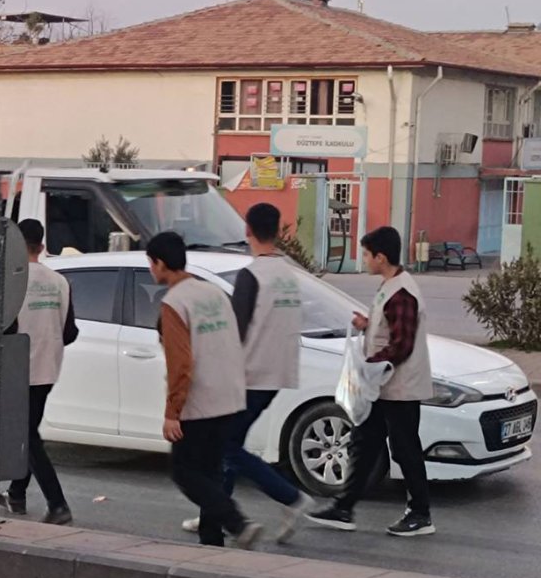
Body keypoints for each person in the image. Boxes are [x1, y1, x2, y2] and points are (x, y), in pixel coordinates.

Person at [180, 204, 313, 542]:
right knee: (227, 445)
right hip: (279, 372)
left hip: (249, 374)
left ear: (248, 232)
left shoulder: (251, 275)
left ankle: (291, 498)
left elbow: (233, 330)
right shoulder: (289, 275)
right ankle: (216, 511)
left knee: (224, 447)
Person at [308, 226, 435, 537]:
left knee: (405, 449)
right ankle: (343, 507)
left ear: (380, 256)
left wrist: (369, 365)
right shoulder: (389, 286)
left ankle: (420, 514)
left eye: (366, 254)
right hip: (383, 387)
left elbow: (401, 345)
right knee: (364, 442)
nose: (363, 259)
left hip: (399, 387)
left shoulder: (401, 294)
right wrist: (367, 326)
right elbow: (388, 331)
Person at [149, 231, 262, 548]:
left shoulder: (174, 303)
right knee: (210, 472)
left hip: (199, 401)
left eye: (151, 263)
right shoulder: (214, 293)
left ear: (159, 263)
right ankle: (212, 542)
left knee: (184, 472)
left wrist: (172, 413)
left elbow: (181, 364)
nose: (151, 270)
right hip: (229, 395)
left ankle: (237, 523)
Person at [0, 219, 79, 525]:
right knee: (28, 432)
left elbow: (3, 328)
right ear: (42, 248)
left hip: (19, 368)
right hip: (48, 368)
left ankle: (58, 504)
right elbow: (70, 332)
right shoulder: (60, 282)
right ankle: (16, 494)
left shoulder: (11, 280)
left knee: (27, 437)